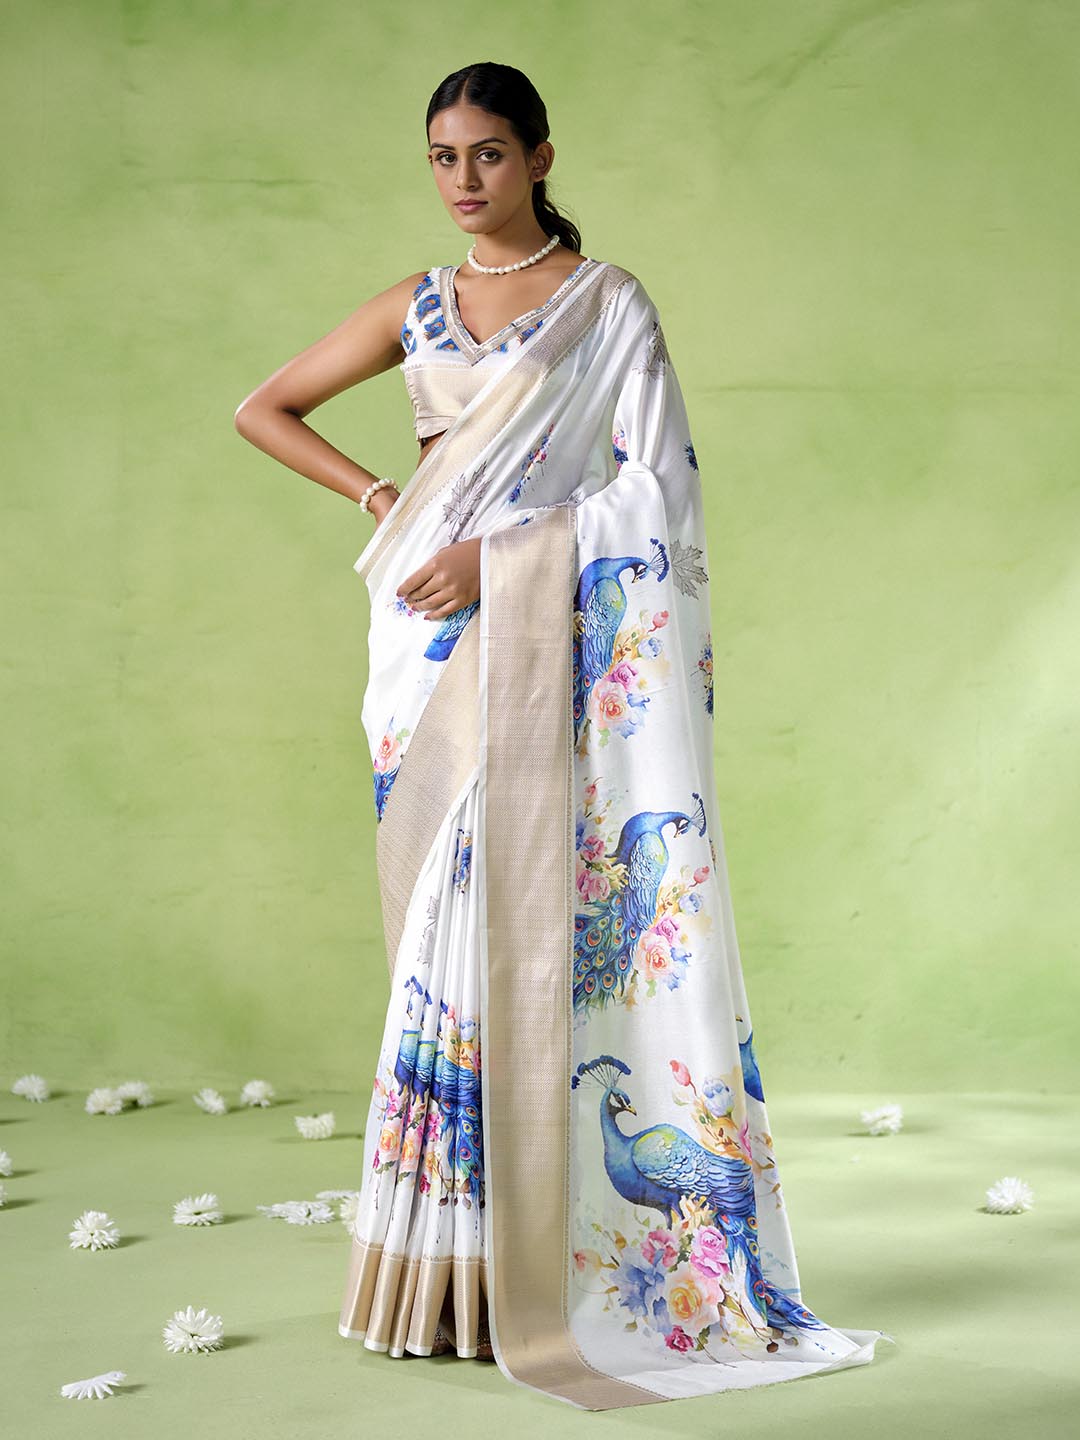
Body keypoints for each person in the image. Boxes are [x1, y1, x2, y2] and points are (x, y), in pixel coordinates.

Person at [234, 60, 893, 1414]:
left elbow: (655, 491)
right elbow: (265, 408)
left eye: (487, 152)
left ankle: (533, 1269)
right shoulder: (415, 305)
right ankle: (441, 1271)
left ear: (539, 157)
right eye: (443, 156)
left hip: (542, 641)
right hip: (421, 651)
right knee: (442, 935)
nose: (463, 179)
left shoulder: (606, 305)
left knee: (515, 923)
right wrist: (384, 498)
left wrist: (498, 557)